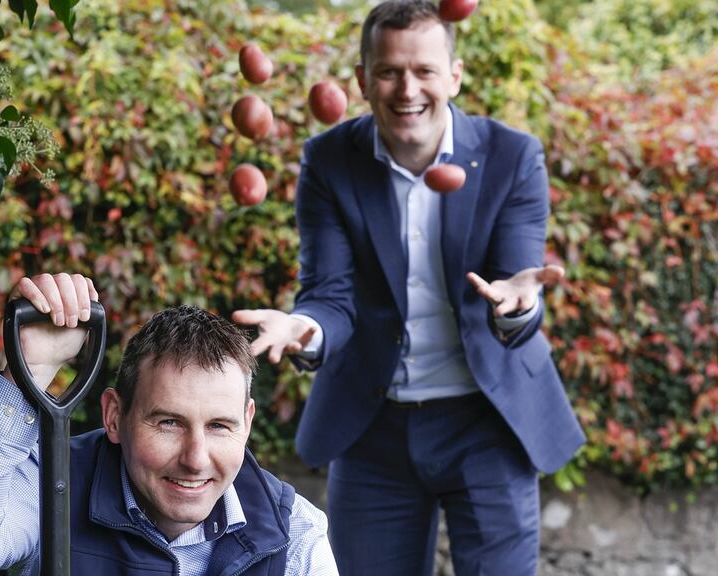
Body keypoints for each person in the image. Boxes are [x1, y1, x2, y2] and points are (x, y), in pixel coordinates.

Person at [232, 2, 585, 575]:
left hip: (487, 422)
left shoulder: (511, 156)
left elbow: (519, 283)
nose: (407, 89)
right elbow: (331, 293)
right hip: (376, 427)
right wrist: (308, 326)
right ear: (363, 81)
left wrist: (518, 305)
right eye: (390, 71)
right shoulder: (328, 161)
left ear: (455, 76)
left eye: (424, 71)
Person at [0, 273, 339, 576]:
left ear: (246, 424)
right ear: (114, 416)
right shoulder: (55, 486)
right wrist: (30, 373)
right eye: (169, 422)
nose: (196, 459)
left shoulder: (294, 533)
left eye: (219, 426)